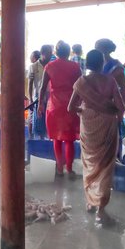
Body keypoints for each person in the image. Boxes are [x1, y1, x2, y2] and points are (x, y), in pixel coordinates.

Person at [68, 50, 125, 222]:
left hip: (88, 123)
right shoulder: (110, 80)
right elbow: (120, 106)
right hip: (107, 124)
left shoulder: (82, 82)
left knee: (89, 162)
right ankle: (101, 207)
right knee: (105, 165)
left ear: (88, 64)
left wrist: (84, 110)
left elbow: (71, 108)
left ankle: (90, 202)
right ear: (102, 63)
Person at [38, 41, 81, 176]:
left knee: (56, 138)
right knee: (69, 139)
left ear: (56, 52)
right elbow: (81, 86)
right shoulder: (75, 66)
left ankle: (60, 168)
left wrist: (40, 104)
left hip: (54, 106)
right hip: (70, 105)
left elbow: (42, 87)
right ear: (69, 53)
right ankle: (69, 168)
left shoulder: (50, 66)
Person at [29, 44, 53, 139]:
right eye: (49, 53)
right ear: (42, 54)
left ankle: (47, 143)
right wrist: (30, 99)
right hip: (37, 97)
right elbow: (30, 84)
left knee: (48, 121)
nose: (51, 55)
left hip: (50, 97)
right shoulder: (34, 67)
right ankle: (39, 142)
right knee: (38, 121)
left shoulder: (52, 66)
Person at [95, 38, 125, 103]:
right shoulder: (98, 63)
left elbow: (123, 88)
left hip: (110, 102)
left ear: (105, 49)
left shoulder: (116, 66)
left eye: (97, 48)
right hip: (97, 102)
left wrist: (121, 109)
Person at [26, 50, 41, 138]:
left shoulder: (33, 67)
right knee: (32, 117)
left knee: (32, 117)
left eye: (31, 56)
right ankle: (33, 136)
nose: (30, 58)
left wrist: (30, 98)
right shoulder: (34, 67)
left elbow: (30, 84)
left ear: (34, 58)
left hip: (35, 96)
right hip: (34, 96)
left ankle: (33, 136)